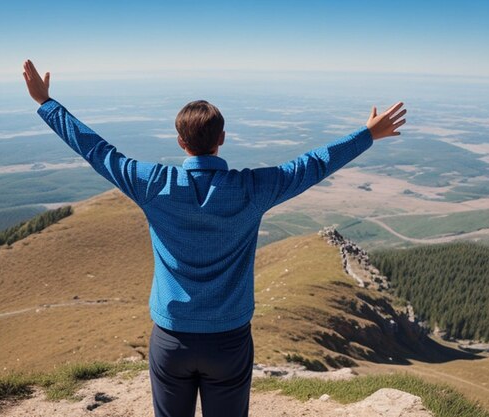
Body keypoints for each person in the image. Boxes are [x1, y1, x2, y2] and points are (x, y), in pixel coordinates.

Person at [22, 59, 406, 417]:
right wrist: (367, 134)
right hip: (228, 340)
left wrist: (46, 103)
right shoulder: (251, 189)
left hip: (171, 338)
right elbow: (311, 165)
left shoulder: (154, 185)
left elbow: (97, 151)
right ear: (222, 138)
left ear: (179, 141)